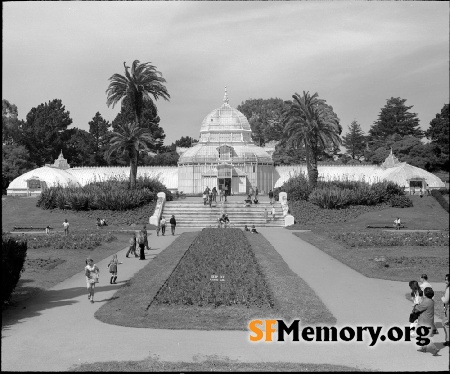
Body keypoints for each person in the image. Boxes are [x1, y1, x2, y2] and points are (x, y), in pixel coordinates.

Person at [415, 287, 439, 355]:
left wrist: (416, 305)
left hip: (424, 321)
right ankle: (423, 348)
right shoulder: (431, 301)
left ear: (425, 294)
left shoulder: (426, 301)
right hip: (428, 321)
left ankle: (434, 348)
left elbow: (418, 308)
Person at [442, 274, 449, 347]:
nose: (445, 281)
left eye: (446, 279)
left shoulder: (448, 289)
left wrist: (442, 298)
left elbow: (446, 300)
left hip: (448, 308)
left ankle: (448, 341)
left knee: (445, 324)